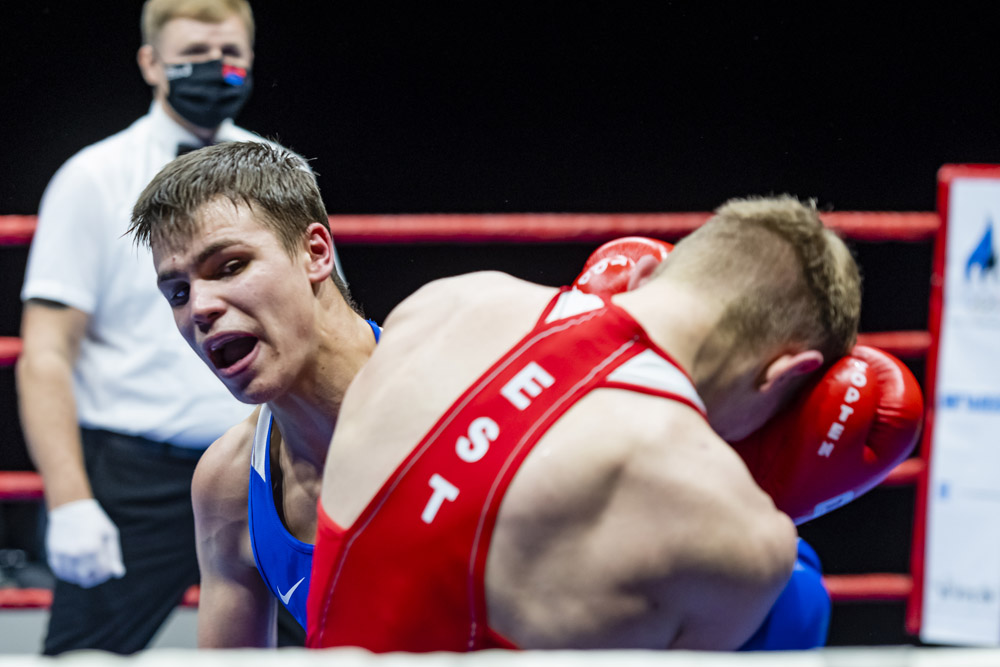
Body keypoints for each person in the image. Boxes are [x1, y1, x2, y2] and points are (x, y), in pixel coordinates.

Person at [306, 195, 867, 651]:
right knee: (796, 608)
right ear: (787, 372)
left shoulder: (444, 302)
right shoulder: (738, 529)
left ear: (644, 271)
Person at [15, 0, 299, 654]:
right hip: (137, 474)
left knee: (330, 647)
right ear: (150, 63)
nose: (214, 68)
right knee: (84, 658)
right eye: (194, 55)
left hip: (268, 461)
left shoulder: (279, 173)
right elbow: (46, 352)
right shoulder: (93, 178)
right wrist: (69, 500)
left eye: (229, 54)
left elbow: (320, 320)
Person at [127, 140, 379, 647]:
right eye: (178, 292)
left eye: (230, 266)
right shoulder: (231, 482)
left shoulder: (456, 395)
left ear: (315, 253)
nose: (199, 307)